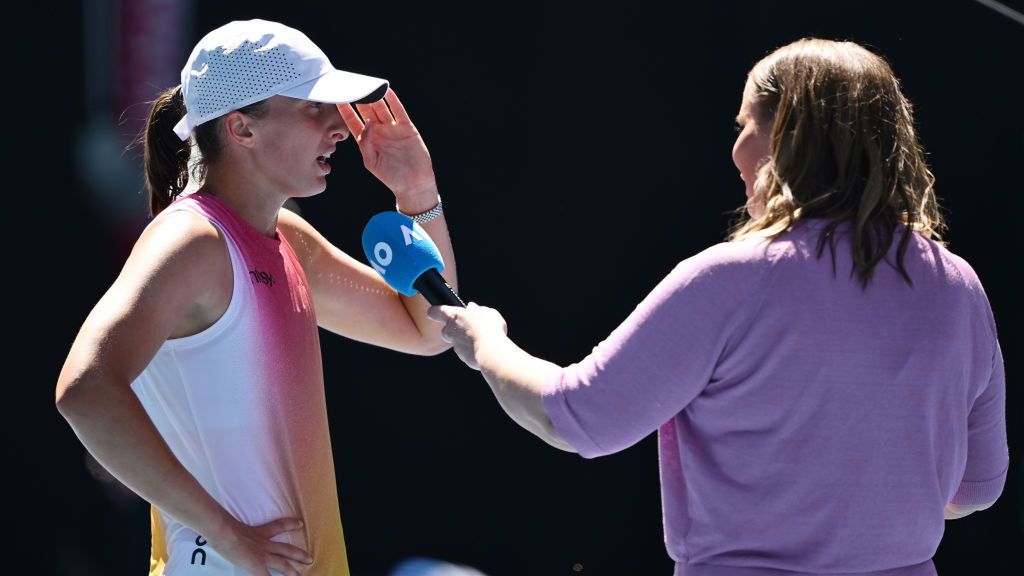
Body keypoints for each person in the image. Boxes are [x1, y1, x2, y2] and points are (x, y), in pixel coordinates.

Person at [428, 38, 1008, 576]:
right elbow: (974, 490)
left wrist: (485, 341)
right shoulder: (959, 287)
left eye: (744, 124)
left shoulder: (732, 278)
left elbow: (574, 416)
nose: (735, 150)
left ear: (786, 134)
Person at [55, 18, 456, 576]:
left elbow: (430, 330)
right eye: (314, 107)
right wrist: (227, 535)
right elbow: (85, 390)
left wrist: (417, 191)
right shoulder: (191, 240)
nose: (339, 126)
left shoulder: (287, 238)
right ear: (241, 127)